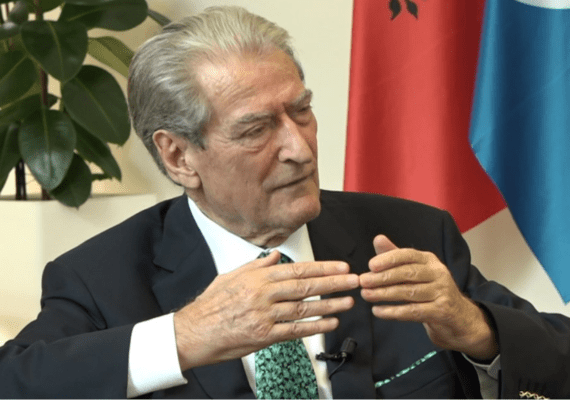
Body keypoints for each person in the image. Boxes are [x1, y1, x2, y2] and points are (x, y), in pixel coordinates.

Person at [1, 5, 569, 399]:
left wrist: (477, 330)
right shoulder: (100, 278)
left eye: (302, 111)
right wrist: (184, 336)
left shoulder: (412, 233)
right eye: (255, 130)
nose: (300, 149)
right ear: (178, 157)